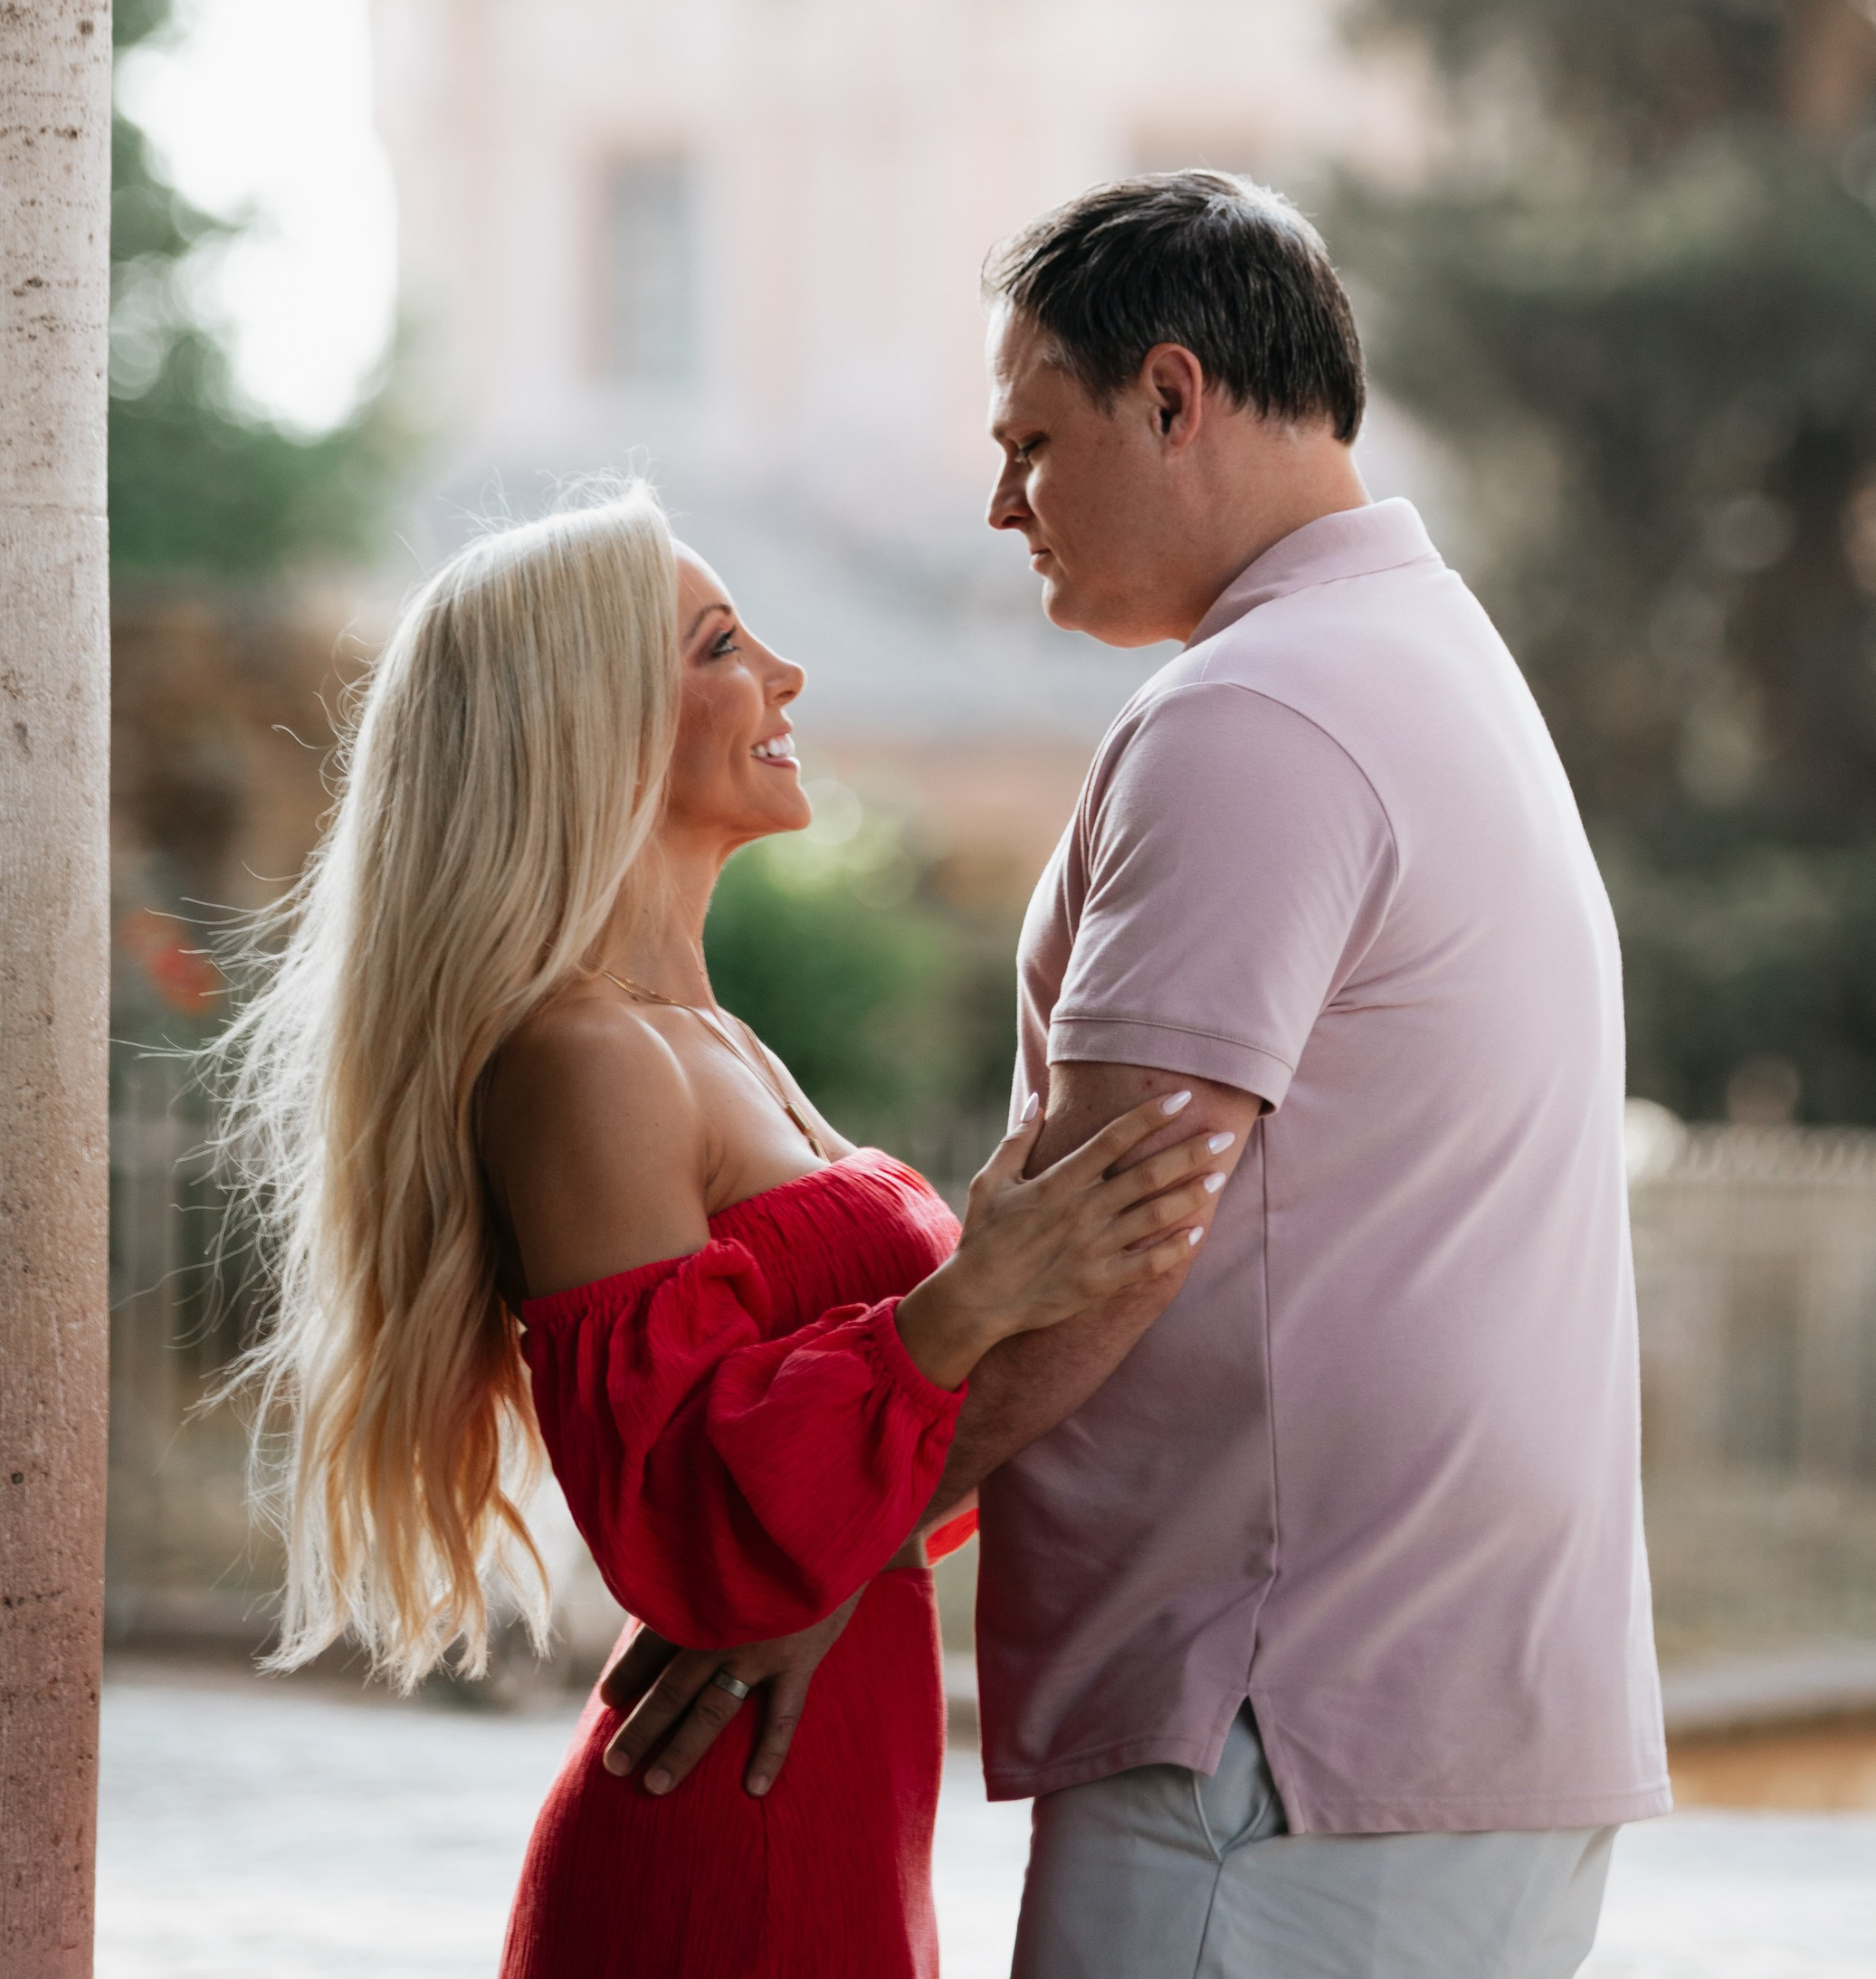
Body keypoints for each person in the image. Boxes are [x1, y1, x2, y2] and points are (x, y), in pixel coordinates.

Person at [621, 172, 1668, 1979]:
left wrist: (831, 1552)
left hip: (1276, 1732)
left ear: (1172, 397)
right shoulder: (1425, 656)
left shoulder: (1253, 717)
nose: (1001, 505)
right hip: (1426, 1723)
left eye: (1032, 443)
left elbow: (1106, 1238)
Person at [220, 482, 1220, 1979]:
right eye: (720, 647)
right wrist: (972, 1301)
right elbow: (678, 1511)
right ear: (593, 729)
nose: (787, 674)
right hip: (728, 1826)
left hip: (821, 1792)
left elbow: (842, 1477)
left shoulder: (715, 1041)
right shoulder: (586, 1061)